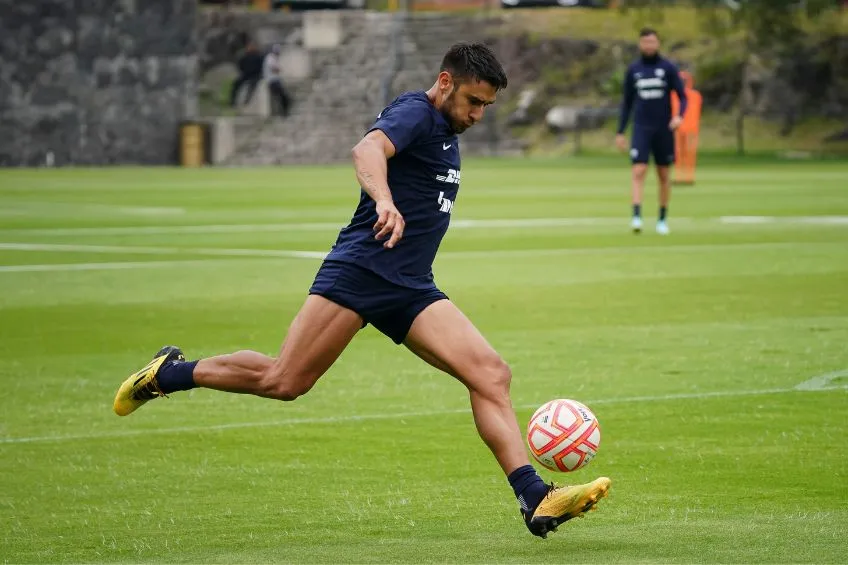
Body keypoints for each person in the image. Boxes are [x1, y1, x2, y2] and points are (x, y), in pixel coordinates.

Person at [113, 42, 610, 539]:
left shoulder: (447, 127)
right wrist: (384, 200)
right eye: (473, 102)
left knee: (491, 374)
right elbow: (367, 149)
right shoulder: (415, 111)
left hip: (412, 285)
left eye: (487, 106)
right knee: (284, 381)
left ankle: (535, 498)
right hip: (364, 271)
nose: (478, 115)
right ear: (444, 83)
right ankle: (169, 374)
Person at [616, 28, 687, 235]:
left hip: (663, 128)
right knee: (638, 170)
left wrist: (679, 116)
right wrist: (620, 131)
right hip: (641, 127)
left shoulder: (668, 68)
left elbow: (683, 96)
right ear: (640, 44)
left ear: (658, 44)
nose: (649, 46)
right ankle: (636, 216)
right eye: (645, 42)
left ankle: (662, 218)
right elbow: (627, 103)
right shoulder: (634, 70)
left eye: (652, 42)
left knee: (664, 173)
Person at [229, 41, 263, 108]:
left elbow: (261, 66)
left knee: (252, 85)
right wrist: (243, 71)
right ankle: (232, 102)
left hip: (255, 75)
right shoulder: (244, 56)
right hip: (246, 74)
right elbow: (240, 65)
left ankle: (247, 101)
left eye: (252, 47)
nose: (250, 48)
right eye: (249, 47)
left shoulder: (259, 56)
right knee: (236, 84)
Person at [263, 43, 291, 117]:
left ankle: (284, 112)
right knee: (283, 97)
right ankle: (283, 113)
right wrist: (279, 69)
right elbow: (274, 69)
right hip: (272, 81)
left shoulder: (275, 58)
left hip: (276, 81)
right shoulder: (270, 58)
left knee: (283, 97)